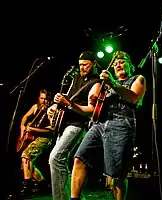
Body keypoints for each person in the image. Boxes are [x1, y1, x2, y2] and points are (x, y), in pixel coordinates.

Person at [69, 50, 146, 200]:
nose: (118, 65)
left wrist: (113, 82)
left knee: (116, 173)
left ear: (130, 65)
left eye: (122, 61)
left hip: (121, 123)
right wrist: (77, 104)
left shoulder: (138, 79)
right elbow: (93, 109)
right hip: (99, 123)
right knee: (80, 157)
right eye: (115, 63)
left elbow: (133, 97)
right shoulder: (105, 85)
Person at [47, 51, 101, 200]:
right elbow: (69, 98)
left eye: (85, 64)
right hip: (64, 122)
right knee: (59, 161)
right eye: (80, 65)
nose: (82, 67)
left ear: (94, 63)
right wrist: (55, 106)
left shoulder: (96, 82)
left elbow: (91, 110)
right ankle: (75, 196)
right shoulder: (76, 78)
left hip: (77, 124)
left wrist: (69, 105)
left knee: (55, 158)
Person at [19, 89, 53, 198]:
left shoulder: (51, 110)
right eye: (42, 98)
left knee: (26, 157)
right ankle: (44, 185)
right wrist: (22, 128)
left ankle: (27, 189)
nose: (44, 101)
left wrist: (33, 130)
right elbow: (25, 117)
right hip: (33, 137)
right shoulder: (35, 107)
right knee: (25, 165)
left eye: (46, 99)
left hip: (44, 138)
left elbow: (51, 129)